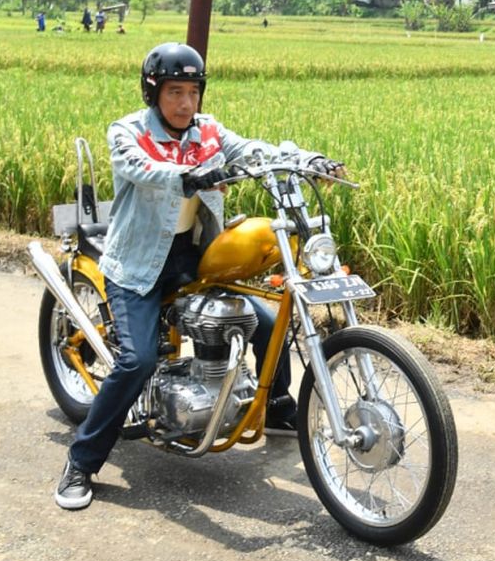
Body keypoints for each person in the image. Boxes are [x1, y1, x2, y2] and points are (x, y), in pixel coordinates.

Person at [54, 42, 347, 511]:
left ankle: (274, 408)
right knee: (136, 361)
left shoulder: (206, 130)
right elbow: (139, 167)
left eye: (192, 91)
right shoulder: (128, 131)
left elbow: (248, 148)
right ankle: (81, 462)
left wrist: (305, 160)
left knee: (269, 325)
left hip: (194, 259)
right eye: (174, 92)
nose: (185, 103)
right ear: (154, 93)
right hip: (137, 267)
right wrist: (188, 175)